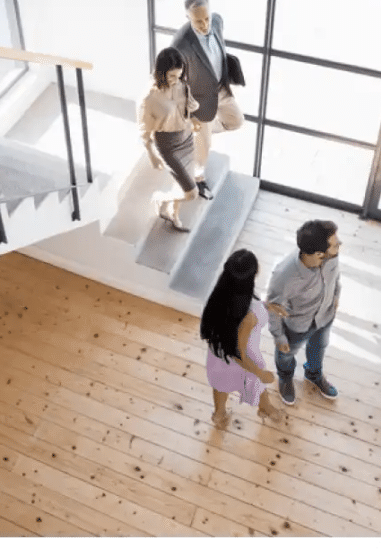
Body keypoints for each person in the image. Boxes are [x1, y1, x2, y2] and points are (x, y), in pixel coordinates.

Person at [200, 249, 288, 425]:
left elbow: (237, 309)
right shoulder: (252, 313)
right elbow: (238, 352)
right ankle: (266, 408)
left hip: (218, 355)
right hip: (245, 359)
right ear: (255, 273)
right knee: (257, 384)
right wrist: (260, 372)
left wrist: (266, 306)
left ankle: (219, 414)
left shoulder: (218, 296)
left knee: (220, 384)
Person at [169, 0, 245, 200]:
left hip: (221, 88)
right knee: (204, 148)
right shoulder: (180, 45)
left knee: (236, 121)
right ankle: (198, 179)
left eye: (206, 19)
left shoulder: (217, 21)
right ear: (187, 17)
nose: (204, 25)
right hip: (200, 100)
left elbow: (217, 30)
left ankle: (196, 136)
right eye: (197, 21)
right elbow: (174, 81)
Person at [265, 220, 342, 405]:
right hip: (298, 326)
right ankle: (285, 378)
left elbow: (335, 276)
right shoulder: (284, 276)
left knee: (319, 347)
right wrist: (279, 337)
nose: (340, 244)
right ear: (318, 254)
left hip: (325, 316)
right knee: (286, 354)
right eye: (335, 243)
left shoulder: (331, 256)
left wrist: (336, 295)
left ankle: (314, 374)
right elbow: (273, 308)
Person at [137, 47, 202, 231]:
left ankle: (174, 214)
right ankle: (160, 198)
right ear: (161, 72)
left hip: (187, 139)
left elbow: (187, 109)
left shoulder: (182, 86)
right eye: (171, 76)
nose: (176, 81)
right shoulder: (150, 98)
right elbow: (144, 129)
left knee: (182, 182)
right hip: (168, 145)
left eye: (179, 75)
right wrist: (151, 153)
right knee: (191, 193)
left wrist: (193, 120)